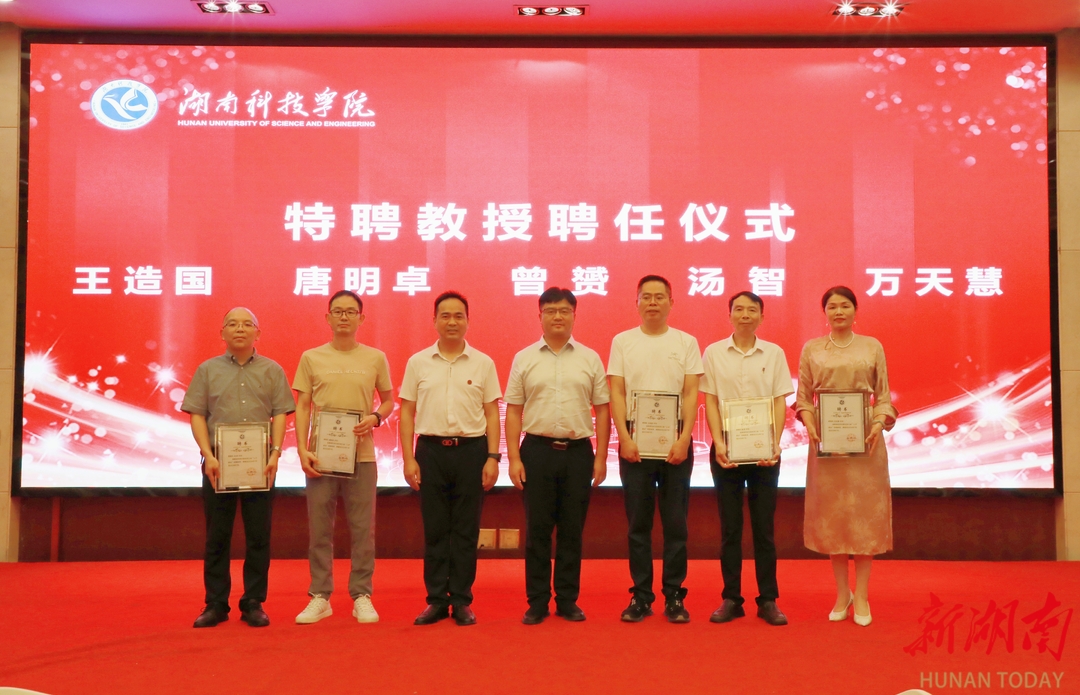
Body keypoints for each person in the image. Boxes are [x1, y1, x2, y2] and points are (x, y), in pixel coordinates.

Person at [181, 307, 295, 628]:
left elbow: (280, 414)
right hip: (218, 464)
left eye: (247, 324)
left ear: (258, 333)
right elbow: (197, 414)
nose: (240, 329)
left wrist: (275, 453)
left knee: (259, 535)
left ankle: (253, 602)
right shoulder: (207, 370)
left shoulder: (272, 370)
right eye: (232, 324)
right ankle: (216, 603)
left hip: (261, 464)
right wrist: (208, 454)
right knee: (217, 536)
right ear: (222, 333)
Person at [506, 287, 611, 625]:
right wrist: (513, 458)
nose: (557, 316)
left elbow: (603, 409)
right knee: (537, 530)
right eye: (550, 311)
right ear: (539, 316)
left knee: (571, 530)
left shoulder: (589, 358)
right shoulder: (524, 358)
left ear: (574, 315)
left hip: (578, 453)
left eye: (564, 310)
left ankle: (567, 599)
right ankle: (537, 601)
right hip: (536, 452)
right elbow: (513, 410)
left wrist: (601, 457)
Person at [796, 285, 896, 627]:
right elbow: (804, 398)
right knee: (835, 518)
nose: (838, 311)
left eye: (845, 306)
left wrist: (878, 423)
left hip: (865, 441)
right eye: (832, 306)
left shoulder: (872, 346)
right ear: (824, 312)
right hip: (827, 440)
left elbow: (884, 397)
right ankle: (843, 594)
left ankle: (863, 594)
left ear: (855, 310)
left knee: (863, 519)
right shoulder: (812, 349)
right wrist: (810, 423)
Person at [400, 291, 502, 626]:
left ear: (468, 321)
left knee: (465, 530)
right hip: (430, 452)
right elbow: (407, 412)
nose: (452, 322)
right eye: (445, 315)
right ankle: (435, 600)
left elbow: (492, 413)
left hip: (471, 452)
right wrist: (408, 459)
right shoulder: (418, 363)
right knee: (435, 529)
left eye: (459, 316)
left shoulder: (483, 363)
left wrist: (493, 457)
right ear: (434, 321)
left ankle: (460, 600)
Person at [293, 290, 394, 625]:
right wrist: (302, 448)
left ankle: (361, 595)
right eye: (338, 311)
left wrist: (375, 418)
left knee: (363, 529)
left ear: (361, 318)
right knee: (320, 529)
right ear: (328, 318)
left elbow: (389, 401)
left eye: (351, 311)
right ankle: (320, 596)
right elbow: (303, 405)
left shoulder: (375, 357)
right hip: (321, 456)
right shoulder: (311, 357)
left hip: (361, 456)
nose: (344, 317)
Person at [608, 275, 703, 623]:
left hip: (675, 443)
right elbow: (617, 391)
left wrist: (685, 437)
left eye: (659, 297)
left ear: (671, 303)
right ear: (636, 303)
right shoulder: (622, 342)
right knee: (638, 524)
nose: (652, 302)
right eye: (646, 297)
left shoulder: (686, 342)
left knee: (676, 523)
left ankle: (674, 595)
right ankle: (641, 596)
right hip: (635, 443)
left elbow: (691, 392)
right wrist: (624, 437)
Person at [701, 291, 792, 626]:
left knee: (764, 528)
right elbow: (710, 400)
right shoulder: (713, 353)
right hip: (726, 451)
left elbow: (780, 401)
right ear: (729, 315)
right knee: (730, 528)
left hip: (764, 452)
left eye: (751, 310)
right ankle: (731, 598)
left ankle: (768, 599)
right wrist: (718, 442)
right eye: (738, 309)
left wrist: (774, 444)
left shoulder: (774, 353)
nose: (744, 315)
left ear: (761, 317)